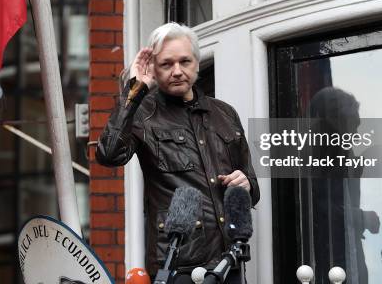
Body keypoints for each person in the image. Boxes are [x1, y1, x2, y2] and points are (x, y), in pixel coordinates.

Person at [95, 22, 260, 282]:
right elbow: (108, 154)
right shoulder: (142, 114)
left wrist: (246, 183)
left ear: (196, 62)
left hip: (229, 262)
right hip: (177, 264)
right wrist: (135, 90)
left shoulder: (224, 114)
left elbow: (253, 186)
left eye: (185, 61)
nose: (177, 71)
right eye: (166, 64)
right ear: (153, 68)